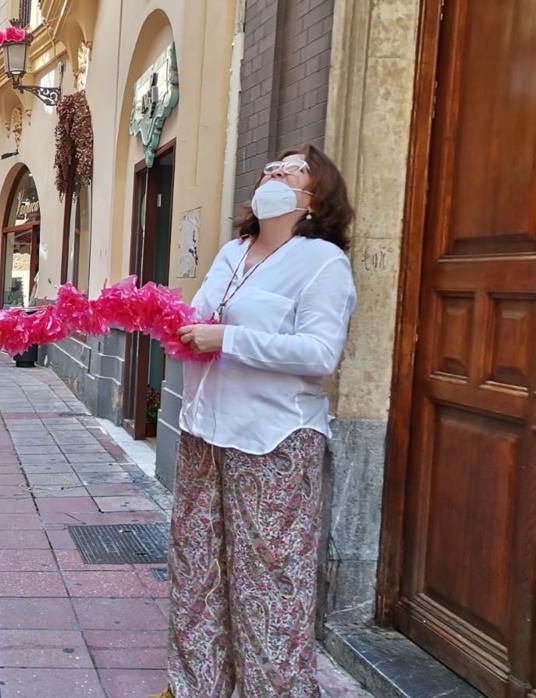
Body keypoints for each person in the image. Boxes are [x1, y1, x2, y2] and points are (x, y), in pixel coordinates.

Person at [159, 145, 357, 698]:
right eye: (270, 167)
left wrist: (229, 339)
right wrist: (164, 320)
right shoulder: (232, 251)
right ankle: (197, 687)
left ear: (315, 196)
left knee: (270, 584)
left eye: (291, 170)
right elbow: (199, 318)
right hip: (206, 431)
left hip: (273, 441)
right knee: (199, 573)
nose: (273, 172)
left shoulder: (323, 262)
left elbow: (320, 354)